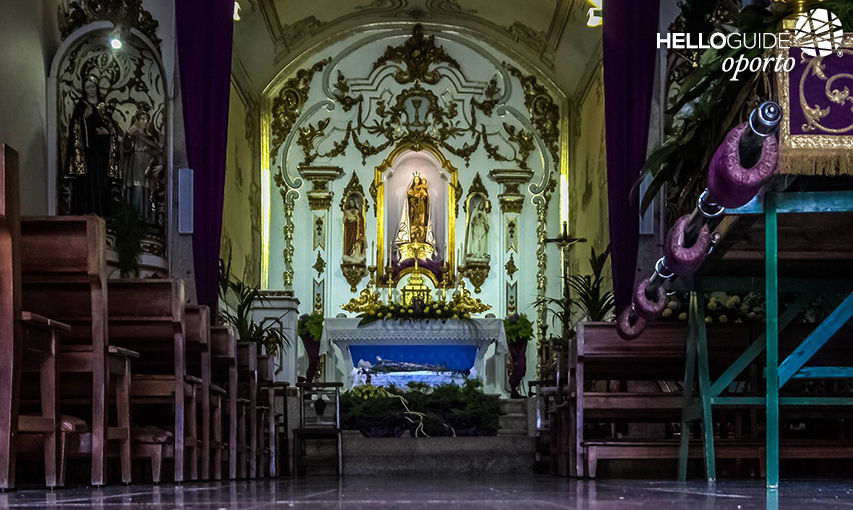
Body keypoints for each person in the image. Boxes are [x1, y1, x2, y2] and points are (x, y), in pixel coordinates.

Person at [63, 75, 120, 216]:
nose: (90, 90)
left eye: (92, 87)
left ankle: (103, 213)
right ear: (84, 89)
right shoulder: (81, 107)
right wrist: (84, 118)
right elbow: (74, 128)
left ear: (97, 88)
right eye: (87, 87)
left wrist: (108, 133)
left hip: (101, 154)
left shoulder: (103, 106)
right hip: (87, 154)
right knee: (87, 185)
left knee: (101, 184)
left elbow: (112, 129)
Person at [121, 111, 164, 223]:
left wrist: (160, 164)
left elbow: (158, 152)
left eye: (146, 120)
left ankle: (147, 219)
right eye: (142, 119)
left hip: (148, 171)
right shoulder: (132, 136)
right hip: (134, 170)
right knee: (137, 191)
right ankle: (135, 219)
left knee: (148, 194)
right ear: (136, 120)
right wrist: (131, 130)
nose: (145, 122)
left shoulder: (150, 139)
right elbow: (125, 147)